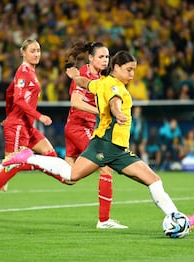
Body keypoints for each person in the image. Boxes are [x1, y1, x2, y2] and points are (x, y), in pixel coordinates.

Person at [2, 50, 194, 231]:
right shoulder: (114, 87)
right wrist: (117, 113)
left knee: (153, 180)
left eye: (134, 70)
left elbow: (87, 83)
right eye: (128, 69)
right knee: (71, 175)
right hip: (106, 145)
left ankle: (177, 217)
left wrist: (75, 76)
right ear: (116, 67)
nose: (132, 74)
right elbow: (114, 102)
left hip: (118, 149)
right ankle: (28, 157)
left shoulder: (102, 82)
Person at [0, 39, 68, 219]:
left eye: (38, 50)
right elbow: (18, 100)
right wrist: (39, 116)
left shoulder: (29, 71)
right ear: (23, 52)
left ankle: (13, 165)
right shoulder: (24, 71)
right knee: (11, 169)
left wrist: (8, 114)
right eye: (32, 50)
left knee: (49, 156)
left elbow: (9, 92)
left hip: (26, 125)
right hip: (18, 127)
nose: (37, 54)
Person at [64, 41, 127, 229]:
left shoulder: (100, 77)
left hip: (83, 127)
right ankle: (104, 220)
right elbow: (75, 102)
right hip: (78, 127)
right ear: (90, 58)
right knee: (106, 167)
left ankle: (31, 161)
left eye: (107, 57)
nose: (105, 60)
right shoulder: (83, 74)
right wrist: (100, 112)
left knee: (70, 178)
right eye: (101, 56)